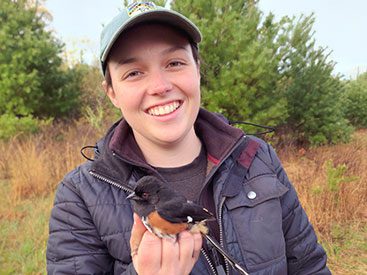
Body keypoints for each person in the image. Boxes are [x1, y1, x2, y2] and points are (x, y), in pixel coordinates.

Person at [46, 2, 331, 274]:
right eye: (134, 72)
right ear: (111, 92)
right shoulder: (80, 195)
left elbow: (309, 266)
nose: (160, 86)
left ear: (198, 69)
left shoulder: (258, 158)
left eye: (174, 63)